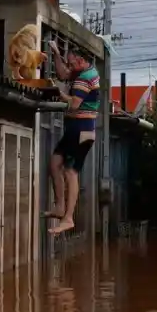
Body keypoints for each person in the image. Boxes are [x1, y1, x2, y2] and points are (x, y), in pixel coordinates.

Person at [44, 39, 100, 235]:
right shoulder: (80, 72)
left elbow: (74, 104)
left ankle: (68, 218)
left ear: (82, 60)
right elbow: (63, 73)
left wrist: (59, 93)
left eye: (73, 63)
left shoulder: (85, 77)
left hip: (82, 129)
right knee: (54, 163)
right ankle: (60, 206)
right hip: (75, 128)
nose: (70, 67)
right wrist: (56, 53)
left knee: (70, 171)